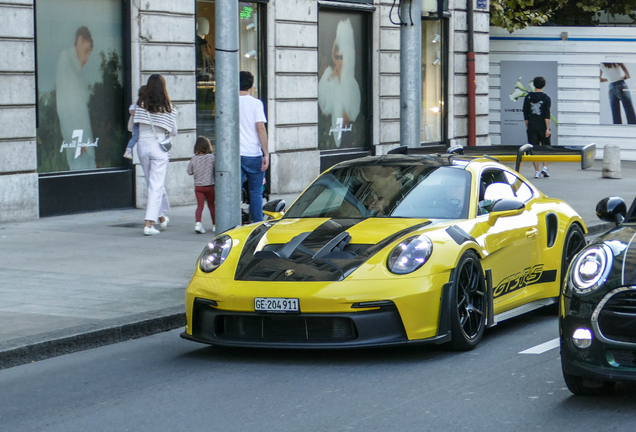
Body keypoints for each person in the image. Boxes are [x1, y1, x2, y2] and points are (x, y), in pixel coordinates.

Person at [130, 74, 178, 236]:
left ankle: (162, 218)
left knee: (153, 183)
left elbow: (132, 126)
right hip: (158, 147)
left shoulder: (139, 105)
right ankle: (148, 223)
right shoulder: (168, 107)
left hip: (142, 146)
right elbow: (174, 131)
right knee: (156, 185)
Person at [56, 26, 96, 171]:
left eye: (89, 54)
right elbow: (65, 107)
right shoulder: (65, 60)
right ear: (79, 41)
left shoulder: (76, 71)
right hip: (79, 144)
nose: (86, 59)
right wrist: (78, 142)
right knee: (81, 175)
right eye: (86, 51)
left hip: (82, 143)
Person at [318, 18, 361, 148]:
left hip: (350, 132)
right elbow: (324, 105)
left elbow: (354, 110)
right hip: (331, 132)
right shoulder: (328, 76)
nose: (339, 61)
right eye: (337, 57)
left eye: (342, 57)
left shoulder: (351, 81)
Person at [239, 71, 268, 223]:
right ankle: (257, 224)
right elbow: (260, 128)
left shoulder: (230, 102)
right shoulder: (256, 103)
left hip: (234, 155)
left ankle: (231, 222)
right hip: (252, 153)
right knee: (256, 192)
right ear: (251, 86)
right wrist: (266, 153)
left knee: (233, 192)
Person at [523, 76, 552, 179]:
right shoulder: (546, 98)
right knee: (545, 147)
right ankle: (545, 167)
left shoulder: (528, 97)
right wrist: (547, 129)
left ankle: (537, 171)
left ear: (534, 85)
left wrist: (527, 125)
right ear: (544, 85)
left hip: (532, 126)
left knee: (533, 148)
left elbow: (526, 113)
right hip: (542, 126)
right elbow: (546, 115)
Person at [187, 136, 216, 234]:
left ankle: (198, 224)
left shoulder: (194, 159)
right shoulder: (211, 157)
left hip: (198, 187)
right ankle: (215, 225)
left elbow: (189, 171)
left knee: (200, 206)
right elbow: (216, 168)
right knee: (212, 206)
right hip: (209, 186)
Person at [123, 85, 146, 160]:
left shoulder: (138, 102)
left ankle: (129, 150)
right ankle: (128, 150)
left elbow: (132, 108)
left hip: (138, 122)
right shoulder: (141, 103)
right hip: (138, 122)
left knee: (136, 136)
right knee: (136, 136)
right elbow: (132, 109)